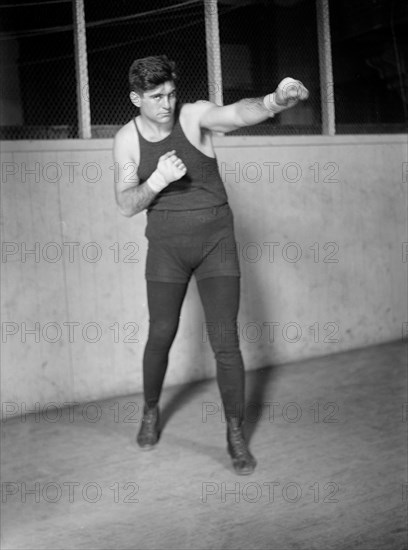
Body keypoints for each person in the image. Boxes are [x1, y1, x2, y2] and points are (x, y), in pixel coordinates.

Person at [113, 55, 309, 475]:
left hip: (216, 243)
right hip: (166, 248)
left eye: (169, 93)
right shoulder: (126, 141)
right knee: (161, 335)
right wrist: (157, 180)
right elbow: (126, 203)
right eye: (154, 97)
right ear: (136, 98)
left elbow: (237, 113)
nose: (165, 104)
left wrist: (275, 100)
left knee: (225, 342)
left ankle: (234, 432)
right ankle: (150, 411)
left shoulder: (194, 117)